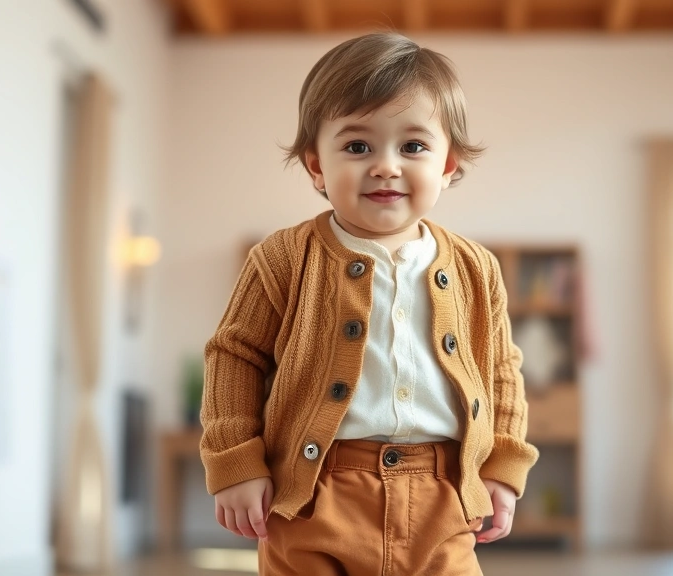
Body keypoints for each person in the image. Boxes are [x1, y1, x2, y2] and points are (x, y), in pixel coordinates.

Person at [200, 32, 539, 575]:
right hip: (313, 495)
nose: (386, 166)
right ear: (316, 166)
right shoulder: (283, 258)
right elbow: (234, 356)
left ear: (448, 165)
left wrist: (502, 464)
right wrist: (235, 463)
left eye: (413, 146)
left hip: (443, 497)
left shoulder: (477, 267)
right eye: (358, 147)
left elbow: (501, 370)